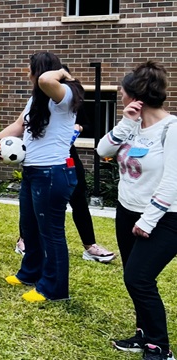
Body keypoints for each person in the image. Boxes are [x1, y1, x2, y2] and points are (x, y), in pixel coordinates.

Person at [97, 61, 177, 360]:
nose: (119, 93)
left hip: (165, 218)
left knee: (138, 278)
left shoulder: (172, 129)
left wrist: (149, 219)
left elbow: (172, 182)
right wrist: (126, 122)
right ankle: (143, 334)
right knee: (135, 277)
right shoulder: (132, 126)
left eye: (123, 91)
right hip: (127, 211)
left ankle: (160, 348)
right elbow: (103, 151)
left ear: (136, 96)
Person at [0, 52, 83, 302]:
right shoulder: (37, 100)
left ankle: (53, 289)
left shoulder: (65, 95)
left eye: (31, 69)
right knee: (29, 226)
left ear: (41, 71)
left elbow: (45, 81)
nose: (28, 74)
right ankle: (30, 272)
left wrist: (62, 73)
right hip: (33, 171)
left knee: (51, 232)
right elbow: (20, 124)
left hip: (52, 173)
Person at [14, 125, 117, 263]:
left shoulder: (71, 105)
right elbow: (22, 124)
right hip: (41, 159)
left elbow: (85, 124)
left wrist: (78, 128)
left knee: (79, 200)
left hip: (68, 158)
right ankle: (24, 240)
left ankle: (90, 246)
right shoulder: (37, 106)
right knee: (32, 201)